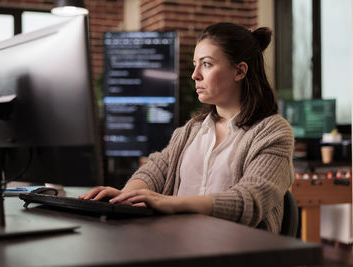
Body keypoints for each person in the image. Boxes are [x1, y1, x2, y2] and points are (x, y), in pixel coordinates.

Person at [80, 23, 295, 233]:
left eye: (207, 64)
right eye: (195, 64)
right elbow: (154, 171)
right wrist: (123, 199)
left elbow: (249, 200)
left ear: (239, 71)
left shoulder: (273, 131)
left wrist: (170, 203)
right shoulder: (190, 131)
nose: (195, 75)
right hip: (179, 246)